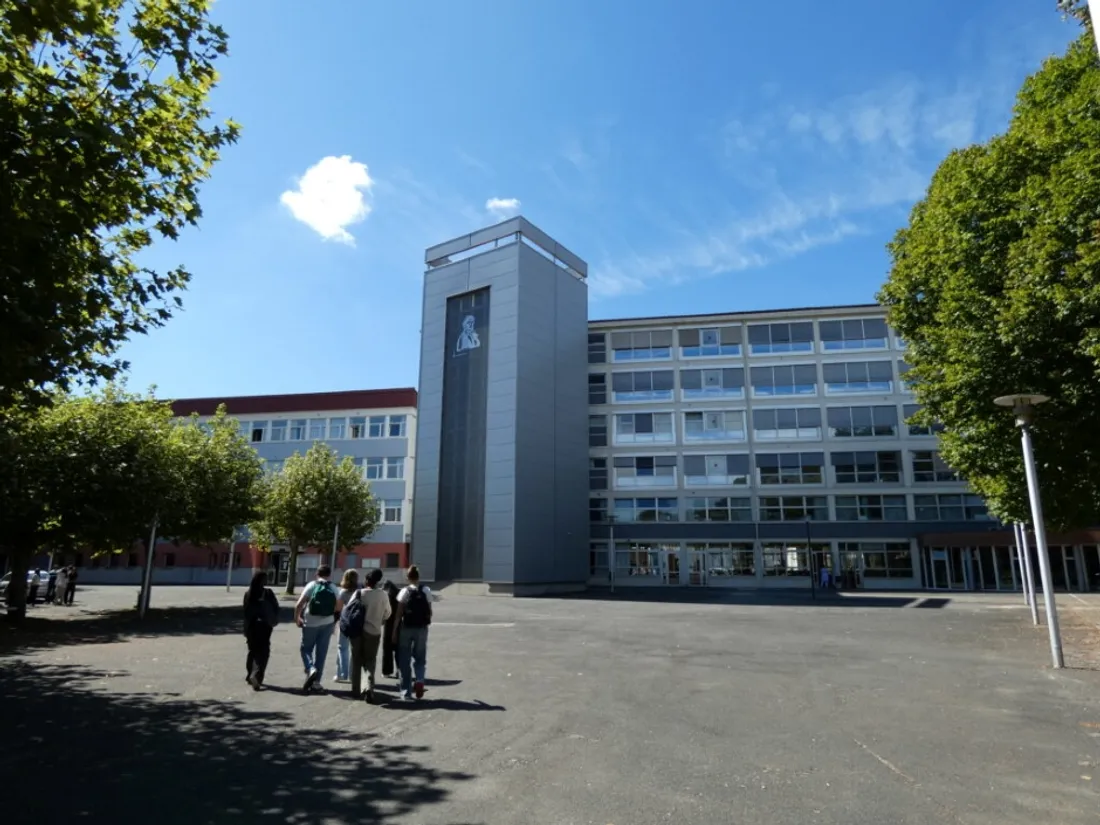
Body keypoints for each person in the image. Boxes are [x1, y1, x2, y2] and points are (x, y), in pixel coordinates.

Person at [294, 565, 343, 693]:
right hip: (327, 622)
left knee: (306, 648)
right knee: (321, 653)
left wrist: (297, 618)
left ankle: (310, 668)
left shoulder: (311, 585)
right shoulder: (333, 587)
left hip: (310, 621)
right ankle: (316, 683)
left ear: (317, 574)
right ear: (329, 575)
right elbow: (339, 607)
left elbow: (299, 604)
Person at [349, 568, 391, 702]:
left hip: (357, 631)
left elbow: (349, 609)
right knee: (370, 660)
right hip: (374, 631)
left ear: (366, 580)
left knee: (356, 659)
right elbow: (388, 613)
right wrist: (381, 619)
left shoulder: (359, 593)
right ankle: (368, 686)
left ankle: (356, 689)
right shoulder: (383, 595)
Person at [392, 565, 432, 701]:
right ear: (418, 577)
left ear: (407, 577)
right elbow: (429, 611)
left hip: (406, 627)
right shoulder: (426, 590)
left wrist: (394, 631)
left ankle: (406, 692)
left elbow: (398, 614)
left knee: (404, 659)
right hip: (421, 628)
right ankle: (419, 680)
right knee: (420, 657)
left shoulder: (404, 591)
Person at [243, 571, 279, 690]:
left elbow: (246, 612)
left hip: (251, 626)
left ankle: (249, 674)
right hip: (264, 626)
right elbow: (276, 607)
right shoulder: (268, 593)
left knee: (252, 650)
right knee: (263, 652)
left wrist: (246, 628)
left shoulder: (248, 594)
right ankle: (256, 675)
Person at [334, 569, 360, 683]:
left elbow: (338, 609)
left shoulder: (342, 592)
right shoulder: (360, 591)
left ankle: (341, 673)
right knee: (354, 650)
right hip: (357, 623)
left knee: (342, 648)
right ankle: (351, 675)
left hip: (344, 622)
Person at [381, 579, 400, 679]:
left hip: (388, 624)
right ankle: (400, 670)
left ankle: (387, 671)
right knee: (399, 650)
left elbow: (385, 611)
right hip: (399, 624)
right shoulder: (399, 594)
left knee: (387, 649)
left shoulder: (387, 596)